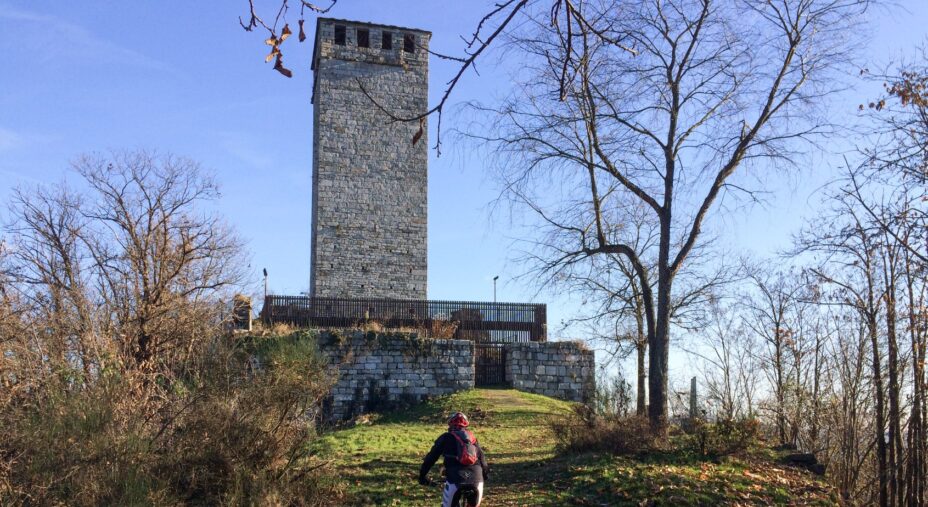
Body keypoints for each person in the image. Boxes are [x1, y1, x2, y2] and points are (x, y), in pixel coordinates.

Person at [418, 411, 489, 507]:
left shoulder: (445, 437)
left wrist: (422, 476)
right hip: (476, 478)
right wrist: (484, 476)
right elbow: (483, 460)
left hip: (455, 478)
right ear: (465, 425)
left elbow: (431, 458)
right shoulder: (472, 439)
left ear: (450, 424)